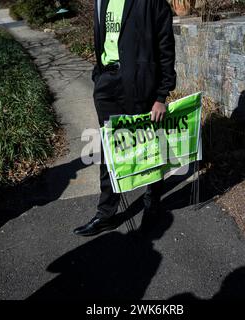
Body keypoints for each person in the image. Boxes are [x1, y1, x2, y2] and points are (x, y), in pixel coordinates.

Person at [74, 0, 176, 236]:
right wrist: (98, 76)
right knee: (109, 149)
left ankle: (152, 203)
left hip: (139, 84)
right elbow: (102, 40)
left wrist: (162, 94)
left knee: (147, 144)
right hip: (107, 83)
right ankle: (106, 213)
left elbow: (166, 46)